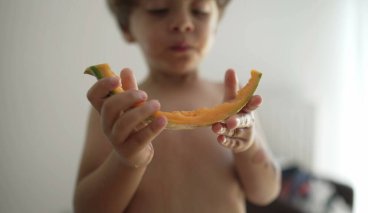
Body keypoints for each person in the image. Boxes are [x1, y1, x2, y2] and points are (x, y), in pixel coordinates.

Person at [74, 0, 281, 212]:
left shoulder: (231, 100)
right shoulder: (117, 110)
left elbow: (266, 192)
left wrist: (249, 146)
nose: (183, 23)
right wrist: (125, 161)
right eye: (159, 10)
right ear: (126, 27)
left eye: (200, 11)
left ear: (216, 23)